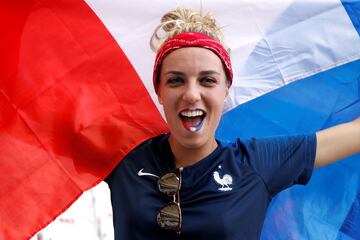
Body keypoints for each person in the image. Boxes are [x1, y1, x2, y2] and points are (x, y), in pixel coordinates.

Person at [105, 8, 360, 239]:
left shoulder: (255, 163)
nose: (192, 94)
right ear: (158, 90)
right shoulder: (123, 154)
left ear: (226, 90)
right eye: (175, 81)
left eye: (207, 80)